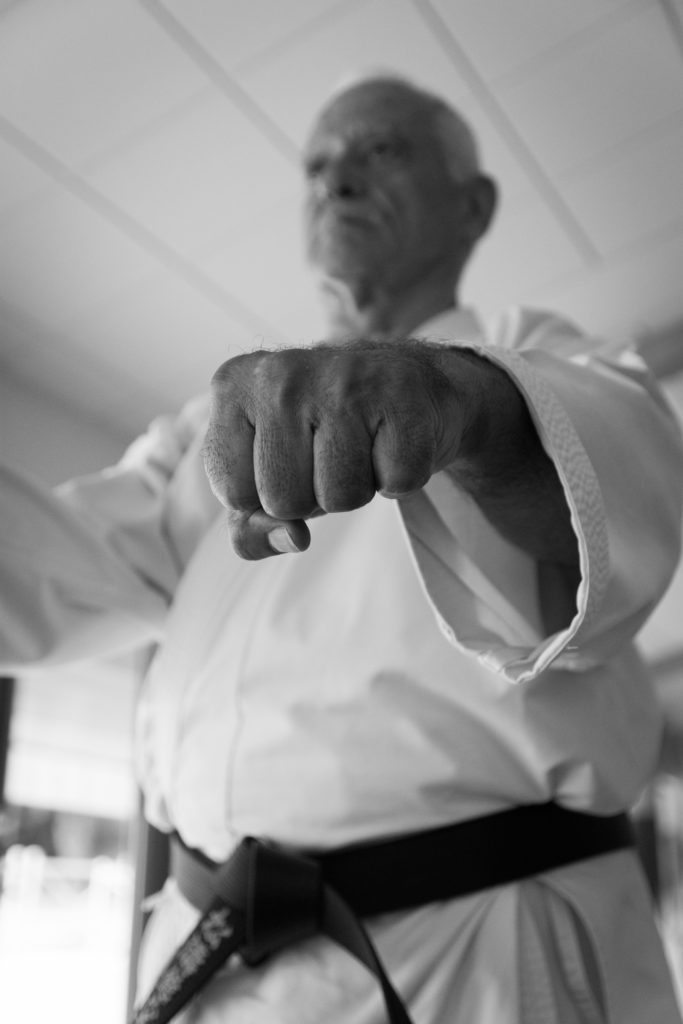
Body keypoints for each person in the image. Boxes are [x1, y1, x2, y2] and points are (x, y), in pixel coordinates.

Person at [1, 74, 682, 1024]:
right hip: (211, 964)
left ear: (473, 205)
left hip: (469, 959)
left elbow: (626, 480)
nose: (338, 180)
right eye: (318, 163)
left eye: (381, 151)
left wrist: (459, 408)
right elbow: (38, 572)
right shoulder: (205, 428)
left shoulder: (534, 354)